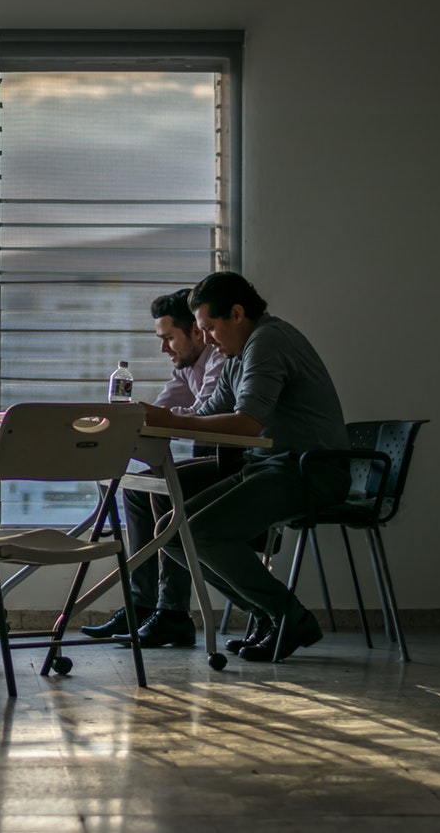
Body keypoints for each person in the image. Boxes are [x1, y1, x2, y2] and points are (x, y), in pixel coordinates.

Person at [141, 271, 349, 662]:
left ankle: (288, 617)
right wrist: (157, 418)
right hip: (269, 466)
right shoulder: (237, 355)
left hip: (309, 470)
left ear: (237, 314)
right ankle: (270, 614)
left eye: (209, 328)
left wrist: (167, 420)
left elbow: (247, 423)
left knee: (199, 532)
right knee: (171, 534)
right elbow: (208, 413)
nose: (206, 339)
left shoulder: (268, 341)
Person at [80, 288, 226, 647]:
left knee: (168, 488)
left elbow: (202, 413)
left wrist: (158, 416)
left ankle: (173, 613)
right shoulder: (187, 368)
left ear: (196, 331)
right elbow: (160, 412)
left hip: (235, 464)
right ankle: (142, 606)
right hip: (210, 459)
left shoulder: (220, 359)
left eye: (169, 338)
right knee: (136, 490)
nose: (163, 348)